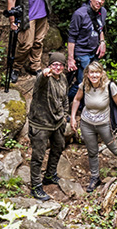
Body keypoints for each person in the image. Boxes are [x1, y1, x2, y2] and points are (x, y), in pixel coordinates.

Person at [7, 0, 64, 83]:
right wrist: (12, 20)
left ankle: (35, 66)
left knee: (38, 42)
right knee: (26, 44)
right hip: (27, 15)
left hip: (42, 14)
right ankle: (16, 68)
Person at [69, 61, 117, 192]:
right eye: (91, 72)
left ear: (101, 73)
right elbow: (76, 100)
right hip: (86, 123)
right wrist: (73, 117)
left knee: (114, 148)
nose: (94, 75)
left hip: (104, 123)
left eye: (97, 72)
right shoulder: (84, 86)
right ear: (87, 74)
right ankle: (95, 177)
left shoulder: (109, 86)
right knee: (92, 151)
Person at [27, 52, 69, 201]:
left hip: (57, 122)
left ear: (63, 67)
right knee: (38, 156)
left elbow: (65, 98)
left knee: (58, 147)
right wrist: (44, 74)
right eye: (54, 64)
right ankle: (36, 187)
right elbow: (42, 79)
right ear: (49, 66)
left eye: (60, 64)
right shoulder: (43, 79)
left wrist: (65, 115)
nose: (57, 67)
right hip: (41, 123)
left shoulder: (63, 78)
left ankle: (50, 175)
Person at [67, 0, 108, 102]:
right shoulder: (80, 14)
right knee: (82, 82)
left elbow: (100, 29)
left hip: (94, 52)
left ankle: (83, 104)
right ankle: (66, 101)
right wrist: (71, 59)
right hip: (81, 52)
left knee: (95, 81)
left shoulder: (102, 12)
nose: (99, 1)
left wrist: (102, 42)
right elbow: (72, 37)